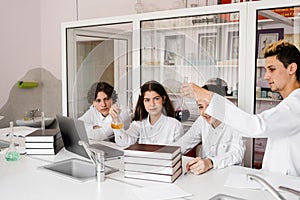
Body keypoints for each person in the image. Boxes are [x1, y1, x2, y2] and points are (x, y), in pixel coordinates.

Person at [181, 40, 300, 177]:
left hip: (288, 187)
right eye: (266, 70)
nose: (266, 76)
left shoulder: (296, 104)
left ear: (291, 68)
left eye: (272, 69)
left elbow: (256, 126)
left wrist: (205, 94)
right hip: (277, 182)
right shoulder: (290, 103)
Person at [173, 81, 245, 175]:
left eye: (209, 106)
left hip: (230, 176)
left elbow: (236, 154)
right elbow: (185, 142)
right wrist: (165, 154)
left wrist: (210, 162)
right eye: (200, 107)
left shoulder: (235, 121)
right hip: (206, 176)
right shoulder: (202, 121)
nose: (205, 112)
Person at [109, 80, 184, 147]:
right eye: (147, 100)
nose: (152, 104)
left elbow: (179, 153)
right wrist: (116, 120)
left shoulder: (175, 126)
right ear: (143, 102)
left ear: (163, 99)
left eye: (156, 99)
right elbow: (123, 142)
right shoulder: (138, 125)